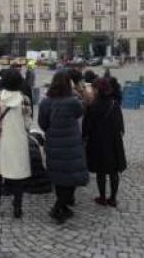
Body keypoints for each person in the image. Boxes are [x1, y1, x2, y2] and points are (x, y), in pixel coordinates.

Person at [38, 70, 88, 224]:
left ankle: (62, 206)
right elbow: (81, 112)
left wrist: (51, 130)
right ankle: (58, 207)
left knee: (59, 177)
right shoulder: (73, 101)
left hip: (53, 143)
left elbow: (42, 123)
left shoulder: (46, 102)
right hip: (71, 143)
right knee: (72, 177)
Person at [0, 68, 32, 218]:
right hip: (17, 142)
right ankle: (17, 208)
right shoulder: (24, 99)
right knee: (17, 177)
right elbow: (28, 123)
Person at [83, 77, 127, 208]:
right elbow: (120, 124)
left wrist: (85, 137)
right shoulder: (114, 104)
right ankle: (113, 198)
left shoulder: (93, 106)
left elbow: (87, 127)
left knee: (101, 172)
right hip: (113, 141)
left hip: (97, 141)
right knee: (114, 172)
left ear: (97, 90)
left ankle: (102, 197)